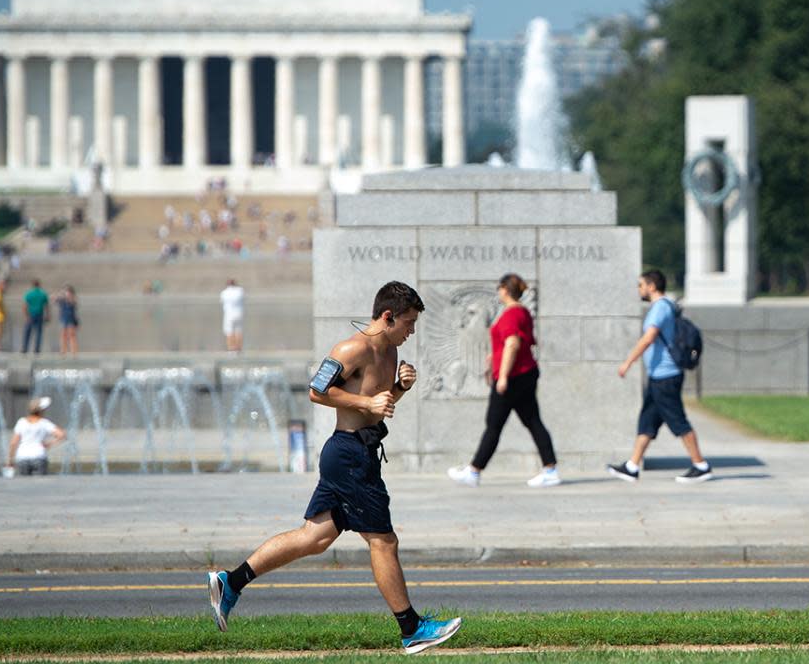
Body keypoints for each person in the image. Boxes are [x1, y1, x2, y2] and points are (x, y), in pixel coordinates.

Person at [206, 281, 462, 655]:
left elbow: (377, 403)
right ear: (387, 316)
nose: (412, 331)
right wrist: (369, 402)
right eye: (408, 323)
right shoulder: (352, 348)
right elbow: (317, 389)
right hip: (349, 455)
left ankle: (231, 582)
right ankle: (412, 629)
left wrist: (399, 389)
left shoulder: (390, 352)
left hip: (358, 452)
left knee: (315, 537)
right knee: (383, 541)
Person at [447, 273, 561, 488]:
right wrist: (494, 356)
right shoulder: (522, 312)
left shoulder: (512, 314)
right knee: (532, 421)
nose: (498, 292)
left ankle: (474, 471)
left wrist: (504, 376)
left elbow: (513, 344)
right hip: (524, 374)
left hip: (514, 378)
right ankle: (550, 469)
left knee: (494, 424)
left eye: (499, 288)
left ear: (505, 290)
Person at [608, 269, 714, 483]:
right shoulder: (665, 307)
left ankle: (700, 465)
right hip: (659, 377)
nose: (639, 289)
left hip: (666, 377)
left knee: (678, 422)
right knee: (647, 421)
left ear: (651, 286)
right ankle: (632, 466)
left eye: (641, 285)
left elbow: (649, 338)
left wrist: (628, 362)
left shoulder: (659, 308)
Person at [7, 397, 66, 476]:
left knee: (23, 485)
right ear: (41, 411)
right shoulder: (44, 423)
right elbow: (62, 435)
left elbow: (13, 443)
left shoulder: (21, 422)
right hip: (39, 456)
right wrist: (49, 443)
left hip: (22, 456)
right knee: (40, 485)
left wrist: (10, 461)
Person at [22, 279, 50, 354]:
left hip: (31, 315)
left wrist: (26, 316)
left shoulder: (29, 294)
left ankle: (25, 348)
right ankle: (37, 349)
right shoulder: (43, 294)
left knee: (27, 332)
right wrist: (47, 316)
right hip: (39, 315)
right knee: (39, 333)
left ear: (32, 285)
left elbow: (25, 306)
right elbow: (46, 306)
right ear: (39, 285)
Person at [219, 278, 244, 352]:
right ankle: (238, 348)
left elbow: (222, 301)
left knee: (229, 331)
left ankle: (231, 348)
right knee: (238, 331)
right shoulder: (240, 291)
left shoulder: (224, 292)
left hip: (229, 315)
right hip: (239, 313)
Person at [56, 284, 79, 356]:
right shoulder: (62, 299)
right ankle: (63, 351)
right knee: (63, 335)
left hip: (71, 319)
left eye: (68, 292)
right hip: (63, 318)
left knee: (72, 335)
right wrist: (61, 294)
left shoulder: (73, 299)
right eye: (66, 291)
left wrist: (69, 297)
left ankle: (74, 351)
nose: (67, 293)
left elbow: (73, 303)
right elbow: (55, 298)